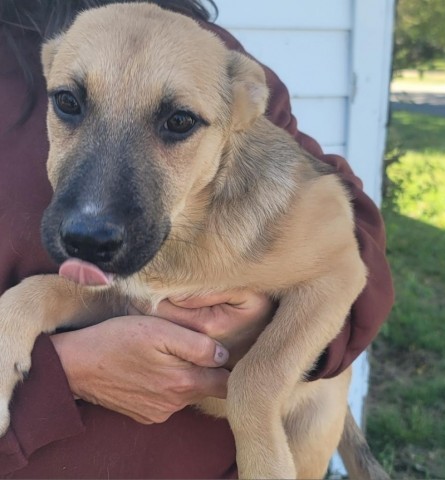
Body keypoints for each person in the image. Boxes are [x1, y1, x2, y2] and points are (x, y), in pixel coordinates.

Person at [0, 0, 394, 477]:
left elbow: (351, 241)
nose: (91, 221)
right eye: (69, 105)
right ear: (52, 72)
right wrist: (62, 374)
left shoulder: (206, 52)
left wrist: (259, 347)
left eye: (178, 122)